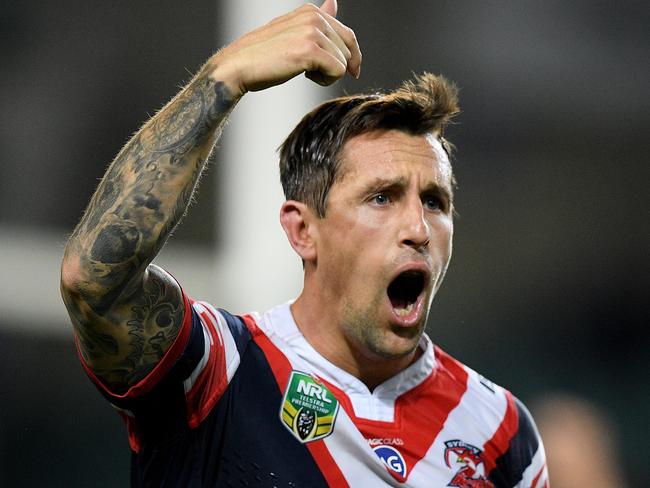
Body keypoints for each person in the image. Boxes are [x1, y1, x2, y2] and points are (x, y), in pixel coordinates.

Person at [60, 1, 549, 486]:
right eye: (382, 198)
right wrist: (224, 77)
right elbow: (95, 281)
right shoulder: (221, 369)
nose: (418, 229)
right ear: (302, 231)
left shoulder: (500, 432)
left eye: (435, 202)